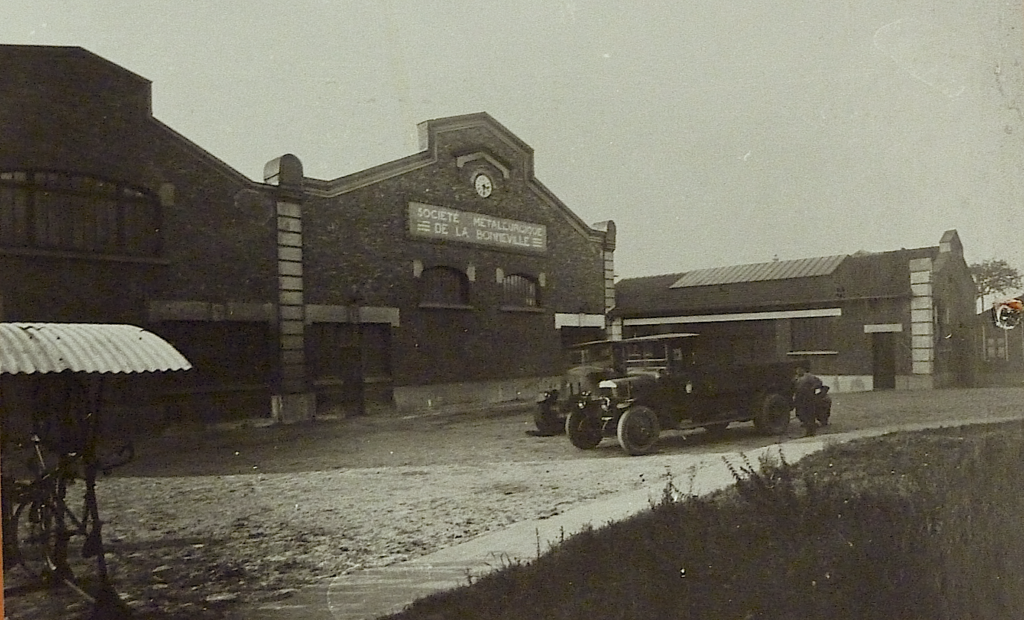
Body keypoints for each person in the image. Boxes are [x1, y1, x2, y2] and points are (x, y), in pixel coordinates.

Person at [793, 362, 827, 436]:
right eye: (797, 369)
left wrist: (812, 388)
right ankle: (808, 427)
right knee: (801, 413)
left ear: (803, 369)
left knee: (809, 414)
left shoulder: (809, 377)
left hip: (808, 397)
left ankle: (810, 431)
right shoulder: (796, 378)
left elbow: (819, 383)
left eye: (799, 369)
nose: (798, 371)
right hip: (799, 398)